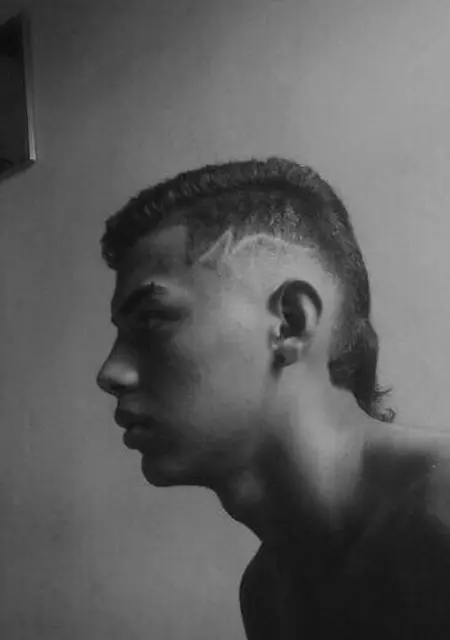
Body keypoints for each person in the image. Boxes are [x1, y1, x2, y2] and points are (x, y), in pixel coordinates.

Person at [96, 157, 450, 639]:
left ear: (290, 323)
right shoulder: (267, 592)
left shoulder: (441, 516)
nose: (110, 373)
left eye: (152, 319)